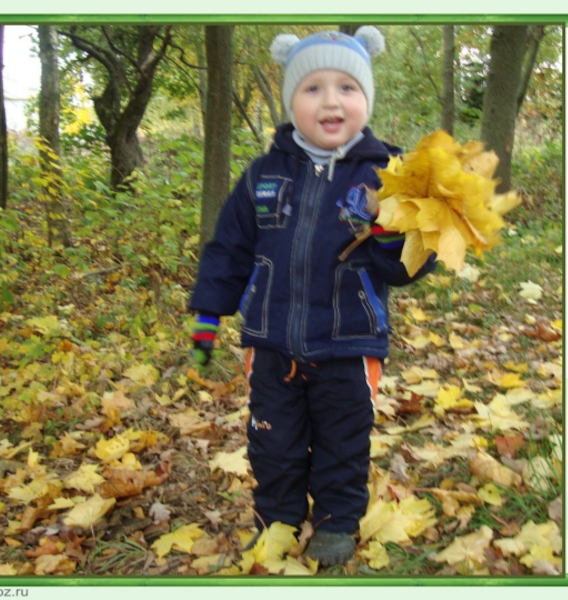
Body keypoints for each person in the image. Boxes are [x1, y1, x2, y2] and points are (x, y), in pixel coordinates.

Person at [188, 27, 436, 567]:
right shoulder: (263, 175)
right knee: (271, 441)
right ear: (290, 101)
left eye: (347, 87)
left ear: (366, 98)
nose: (330, 101)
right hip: (271, 340)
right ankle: (276, 522)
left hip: (349, 341)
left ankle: (335, 524)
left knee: (342, 442)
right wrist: (208, 314)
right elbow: (229, 247)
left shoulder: (390, 175)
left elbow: (407, 265)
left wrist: (387, 229)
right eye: (312, 88)